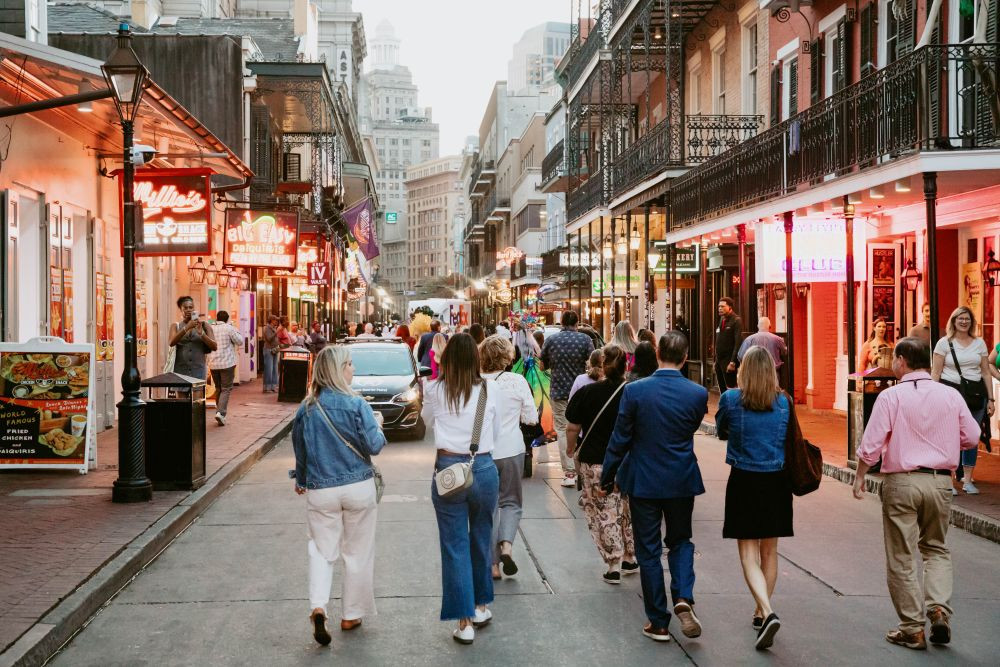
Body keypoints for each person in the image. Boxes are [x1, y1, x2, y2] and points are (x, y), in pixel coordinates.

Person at [855, 337, 980, 650]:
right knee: (936, 548)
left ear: (901, 361)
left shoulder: (891, 396)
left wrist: (859, 476)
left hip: (902, 482)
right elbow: (972, 436)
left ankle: (912, 628)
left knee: (902, 554)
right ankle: (938, 608)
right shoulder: (950, 395)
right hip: (940, 482)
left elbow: (871, 444)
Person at [601, 331, 708, 643]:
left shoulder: (635, 391)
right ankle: (683, 595)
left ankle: (658, 621)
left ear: (658, 353)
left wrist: (608, 474)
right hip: (681, 478)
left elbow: (620, 437)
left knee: (648, 550)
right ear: (685, 358)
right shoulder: (698, 393)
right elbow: (689, 427)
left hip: (644, 480)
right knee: (681, 540)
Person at [291, 345, 386, 646]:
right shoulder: (357, 404)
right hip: (358, 486)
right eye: (349, 364)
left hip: (321, 488)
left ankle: (319, 606)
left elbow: (300, 449)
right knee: (358, 551)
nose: (353, 369)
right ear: (338, 369)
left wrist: (302, 479)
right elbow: (374, 445)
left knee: (321, 550)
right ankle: (351, 614)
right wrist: (378, 426)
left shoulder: (306, 408)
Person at [421, 333, 502, 644]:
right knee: (481, 538)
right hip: (483, 466)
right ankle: (480, 607)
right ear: (476, 359)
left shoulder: (435, 389)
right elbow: (494, 431)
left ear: (448, 360)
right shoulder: (490, 389)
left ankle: (464, 622)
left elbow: (427, 421)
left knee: (454, 545)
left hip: (449, 470)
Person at [715, 346, 792, 650]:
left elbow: (721, 430)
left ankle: (767, 611)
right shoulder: (784, 402)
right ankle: (761, 612)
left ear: (744, 370)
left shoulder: (731, 399)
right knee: (770, 552)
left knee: (748, 553)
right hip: (776, 480)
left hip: (744, 480)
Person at [566, 345, 637, 584]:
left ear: (602, 366)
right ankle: (630, 556)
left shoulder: (588, 392)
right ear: (625, 366)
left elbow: (572, 426)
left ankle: (613, 563)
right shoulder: (634, 392)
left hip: (596, 460)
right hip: (628, 460)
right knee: (627, 508)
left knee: (603, 510)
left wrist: (570, 449)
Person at [479, 335, 537, 580]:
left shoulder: (476, 382)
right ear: (507, 356)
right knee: (511, 502)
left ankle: (492, 565)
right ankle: (507, 546)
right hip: (512, 449)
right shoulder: (517, 381)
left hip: (485, 452)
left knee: (488, 507)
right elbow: (531, 418)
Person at [931, 306, 993, 495]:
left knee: (972, 436)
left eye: (967, 319)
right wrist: (932, 396)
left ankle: (967, 480)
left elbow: (985, 372)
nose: (964, 322)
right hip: (950, 392)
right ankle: (949, 480)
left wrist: (991, 399)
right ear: (954, 321)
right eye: (960, 318)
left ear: (972, 322)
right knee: (951, 435)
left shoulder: (979, 343)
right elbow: (936, 372)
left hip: (975, 395)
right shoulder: (944, 343)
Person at [540, 310, 595, 488]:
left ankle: (570, 472)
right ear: (577, 323)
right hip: (581, 391)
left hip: (559, 391)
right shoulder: (585, 340)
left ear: (561, 323)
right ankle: (582, 468)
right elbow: (593, 364)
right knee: (583, 428)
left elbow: (542, 366)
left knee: (563, 429)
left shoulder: (551, 340)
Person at [206, 311, 244, 426]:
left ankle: (219, 412)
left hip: (213, 364)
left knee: (218, 388)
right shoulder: (229, 328)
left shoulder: (210, 328)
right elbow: (240, 341)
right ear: (227, 319)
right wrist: (235, 329)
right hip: (227, 363)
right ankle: (221, 413)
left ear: (217, 318)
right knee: (226, 389)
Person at [168, 296, 217, 382]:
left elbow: (214, 347)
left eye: (191, 307)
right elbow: (171, 342)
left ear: (194, 309)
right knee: (180, 391)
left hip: (198, 370)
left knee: (197, 391)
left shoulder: (204, 325)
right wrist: (187, 327)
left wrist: (202, 334)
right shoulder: (175, 326)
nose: (188, 310)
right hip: (180, 370)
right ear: (181, 310)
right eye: (185, 308)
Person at [738, 317, 788, 386]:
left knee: (755, 391)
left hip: (754, 374)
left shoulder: (749, 339)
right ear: (770, 326)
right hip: (772, 373)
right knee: (772, 391)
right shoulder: (777, 339)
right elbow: (785, 352)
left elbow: (741, 356)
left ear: (758, 326)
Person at [715, 297, 743, 392]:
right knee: (722, 389)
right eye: (719, 306)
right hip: (719, 361)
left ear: (730, 307)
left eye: (723, 306)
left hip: (729, 361)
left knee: (731, 389)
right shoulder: (722, 319)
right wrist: (716, 361)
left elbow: (738, 343)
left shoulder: (736, 320)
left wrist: (733, 362)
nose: (720, 308)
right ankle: (724, 402)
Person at [261, 315, 280, 393]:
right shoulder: (267, 328)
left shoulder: (274, 328)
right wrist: (276, 333)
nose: (277, 322)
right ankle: (267, 387)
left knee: (275, 368)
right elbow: (269, 339)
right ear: (271, 320)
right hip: (268, 349)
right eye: (275, 320)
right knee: (269, 368)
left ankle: (273, 386)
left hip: (275, 349)